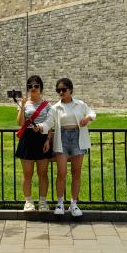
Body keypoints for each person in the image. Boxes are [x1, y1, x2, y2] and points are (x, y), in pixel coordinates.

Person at [38, 78, 96, 217]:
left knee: (76, 173)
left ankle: (74, 204)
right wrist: (40, 127)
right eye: (58, 90)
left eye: (64, 89)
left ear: (71, 89)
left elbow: (93, 113)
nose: (61, 92)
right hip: (62, 139)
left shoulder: (80, 104)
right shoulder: (55, 108)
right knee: (61, 173)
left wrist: (87, 118)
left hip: (78, 138)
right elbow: (48, 123)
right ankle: (60, 203)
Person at [13, 75, 54, 212]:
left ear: (41, 88)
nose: (33, 88)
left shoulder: (47, 105)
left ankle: (43, 201)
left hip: (42, 138)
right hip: (28, 138)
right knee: (27, 173)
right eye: (30, 86)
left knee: (43, 173)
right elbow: (20, 123)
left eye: (36, 86)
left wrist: (48, 140)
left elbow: (50, 124)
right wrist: (23, 106)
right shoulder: (24, 103)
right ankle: (28, 201)